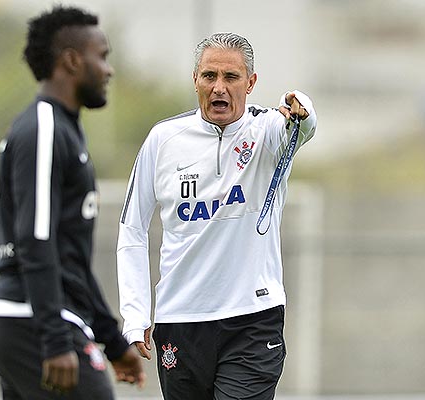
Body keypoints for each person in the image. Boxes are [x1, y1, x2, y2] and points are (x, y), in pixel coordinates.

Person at [116, 32, 317, 399]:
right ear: (195, 80)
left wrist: (300, 105)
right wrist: (134, 315)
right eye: (209, 76)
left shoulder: (268, 130)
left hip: (253, 318)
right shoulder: (163, 140)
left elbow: (303, 126)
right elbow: (132, 228)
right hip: (180, 321)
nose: (219, 88)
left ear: (250, 83)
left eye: (231, 78)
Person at [0, 6, 145, 399]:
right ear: (72, 60)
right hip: (33, 321)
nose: (108, 70)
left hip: (38, 319)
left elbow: (68, 258)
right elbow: (34, 240)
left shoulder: (66, 131)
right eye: (102, 56)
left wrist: (113, 340)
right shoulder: (44, 127)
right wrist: (55, 341)